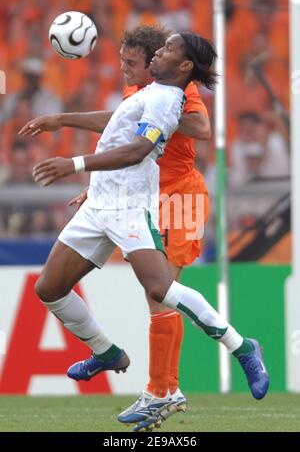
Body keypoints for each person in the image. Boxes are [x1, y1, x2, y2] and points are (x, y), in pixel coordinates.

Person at [21, 32, 269, 431]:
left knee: (161, 295)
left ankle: (168, 388)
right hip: (114, 195)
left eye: (134, 60)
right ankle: (114, 358)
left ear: (179, 63)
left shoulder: (170, 95)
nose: (128, 66)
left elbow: (190, 130)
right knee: (50, 287)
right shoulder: (145, 87)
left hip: (169, 198)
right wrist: (68, 128)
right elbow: (121, 124)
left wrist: (78, 163)